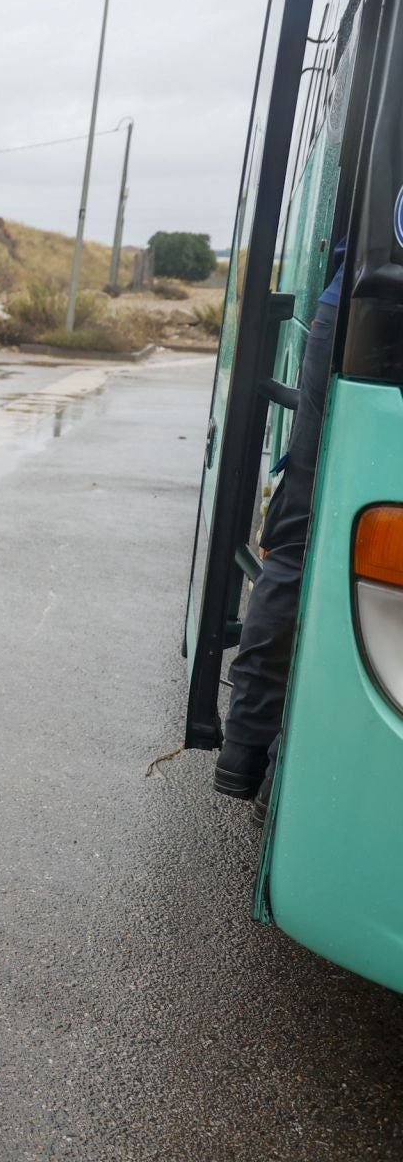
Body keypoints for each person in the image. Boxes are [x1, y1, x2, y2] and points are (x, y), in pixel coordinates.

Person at [214, 238, 345, 817]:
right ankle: (275, 769)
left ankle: (244, 757)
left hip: (354, 305)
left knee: (296, 543)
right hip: (369, 312)